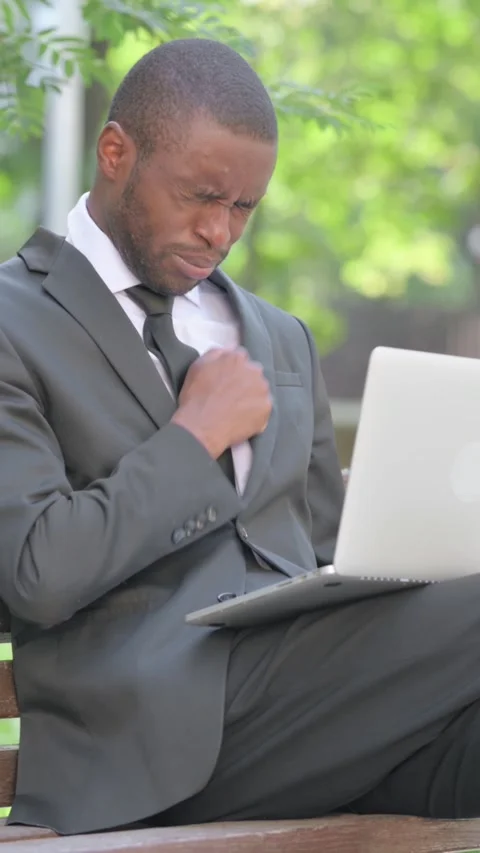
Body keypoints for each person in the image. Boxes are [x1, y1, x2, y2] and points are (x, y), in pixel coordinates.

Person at [0, 38, 479, 837]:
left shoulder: (278, 335)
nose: (220, 230)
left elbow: (332, 545)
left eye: (244, 208)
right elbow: (36, 570)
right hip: (148, 735)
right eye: (200, 195)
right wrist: (195, 436)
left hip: (314, 716)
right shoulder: (15, 322)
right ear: (115, 152)